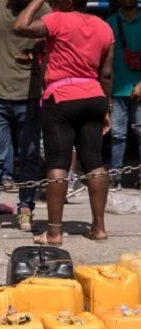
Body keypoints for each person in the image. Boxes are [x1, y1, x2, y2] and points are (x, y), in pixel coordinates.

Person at [14, 0, 113, 245]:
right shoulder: (104, 27)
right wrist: (106, 108)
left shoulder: (58, 19)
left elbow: (20, 26)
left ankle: (55, 232)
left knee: (58, 162)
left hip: (61, 98)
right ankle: (99, 228)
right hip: (94, 95)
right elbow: (107, 74)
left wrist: (37, 1)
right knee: (94, 162)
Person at [0, 0, 49, 233]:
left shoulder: (42, 9)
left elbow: (52, 43)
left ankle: (25, 208)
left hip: (31, 95)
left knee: (30, 156)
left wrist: (37, 54)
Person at [107, 0, 141, 191]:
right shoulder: (110, 23)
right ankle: (115, 177)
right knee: (117, 134)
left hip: (138, 87)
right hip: (117, 87)